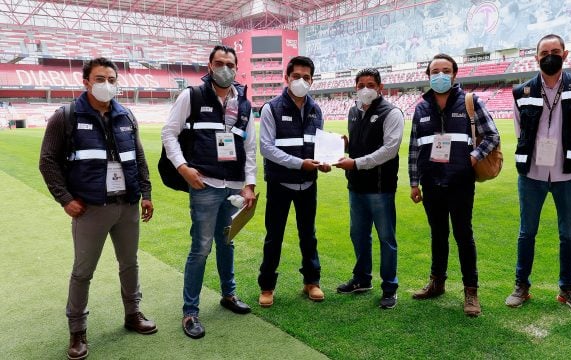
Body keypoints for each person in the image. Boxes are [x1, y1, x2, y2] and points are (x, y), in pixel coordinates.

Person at [39, 57, 157, 360]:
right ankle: (77, 331)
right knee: (83, 272)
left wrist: (146, 192)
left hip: (127, 204)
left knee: (129, 264)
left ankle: (133, 314)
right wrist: (65, 199)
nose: (107, 84)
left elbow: (139, 158)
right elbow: (48, 161)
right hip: (90, 208)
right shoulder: (65, 116)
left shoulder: (127, 115)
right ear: (86, 82)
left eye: (112, 79)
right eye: (100, 78)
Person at [161, 45, 257, 339]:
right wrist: (182, 167)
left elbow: (249, 147)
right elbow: (169, 133)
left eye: (230, 63)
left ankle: (228, 295)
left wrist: (249, 182)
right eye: (219, 63)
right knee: (201, 248)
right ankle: (190, 312)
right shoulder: (192, 95)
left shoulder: (243, 104)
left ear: (236, 67)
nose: (225, 68)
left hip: (232, 186)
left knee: (227, 243)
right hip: (204, 185)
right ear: (209, 65)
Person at [506, 34, 571, 314]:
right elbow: (520, 130)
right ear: (536, 57)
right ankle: (522, 286)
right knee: (526, 233)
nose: (549, 55)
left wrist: (565, 155)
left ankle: (567, 289)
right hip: (532, 174)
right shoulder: (522, 91)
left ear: (565, 54)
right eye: (544, 52)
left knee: (568, 235)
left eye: (555, 51)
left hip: (567, 174)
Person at [408, 53, 500, 317]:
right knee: (438, 234)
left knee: (463, 235)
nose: (440, 75)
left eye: (445, 70)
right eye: (435, 71)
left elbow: (492, 135)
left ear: (455, 74)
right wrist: (414, 183)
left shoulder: (470, 102)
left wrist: (473, 156)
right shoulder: (421, 108)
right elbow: (415, 148)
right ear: (428, 76)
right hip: (431, 182)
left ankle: (471, 290)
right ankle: (437, 282)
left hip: (460, 182)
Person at [258, 56, 331, 307]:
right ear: (286, 78)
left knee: (308, 235)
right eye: (296, 76)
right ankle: (267, 286)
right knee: (274, 236)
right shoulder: (271, 108)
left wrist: (325, 161)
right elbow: (266, 148)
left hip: (308, 184)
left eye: (306, 77)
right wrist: (299, 163)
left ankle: (312, 281)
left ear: (312, 80)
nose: (301, 81)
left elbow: (318, 146)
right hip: (280, 184)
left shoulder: (316, 110)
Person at [335, 68, 403, 309]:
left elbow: (389, 150)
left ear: (380, 87)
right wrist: (344, 145)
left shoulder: (392, 113)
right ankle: (362, 279)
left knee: (386, 238)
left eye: (371, 84)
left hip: (380, 188)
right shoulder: (353, 111)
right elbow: (359, 145)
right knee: (358, 235)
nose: (366, 88)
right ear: (355, 87)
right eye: (361, 84)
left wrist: (356, 163)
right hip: (356, 186)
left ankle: (390, 287)